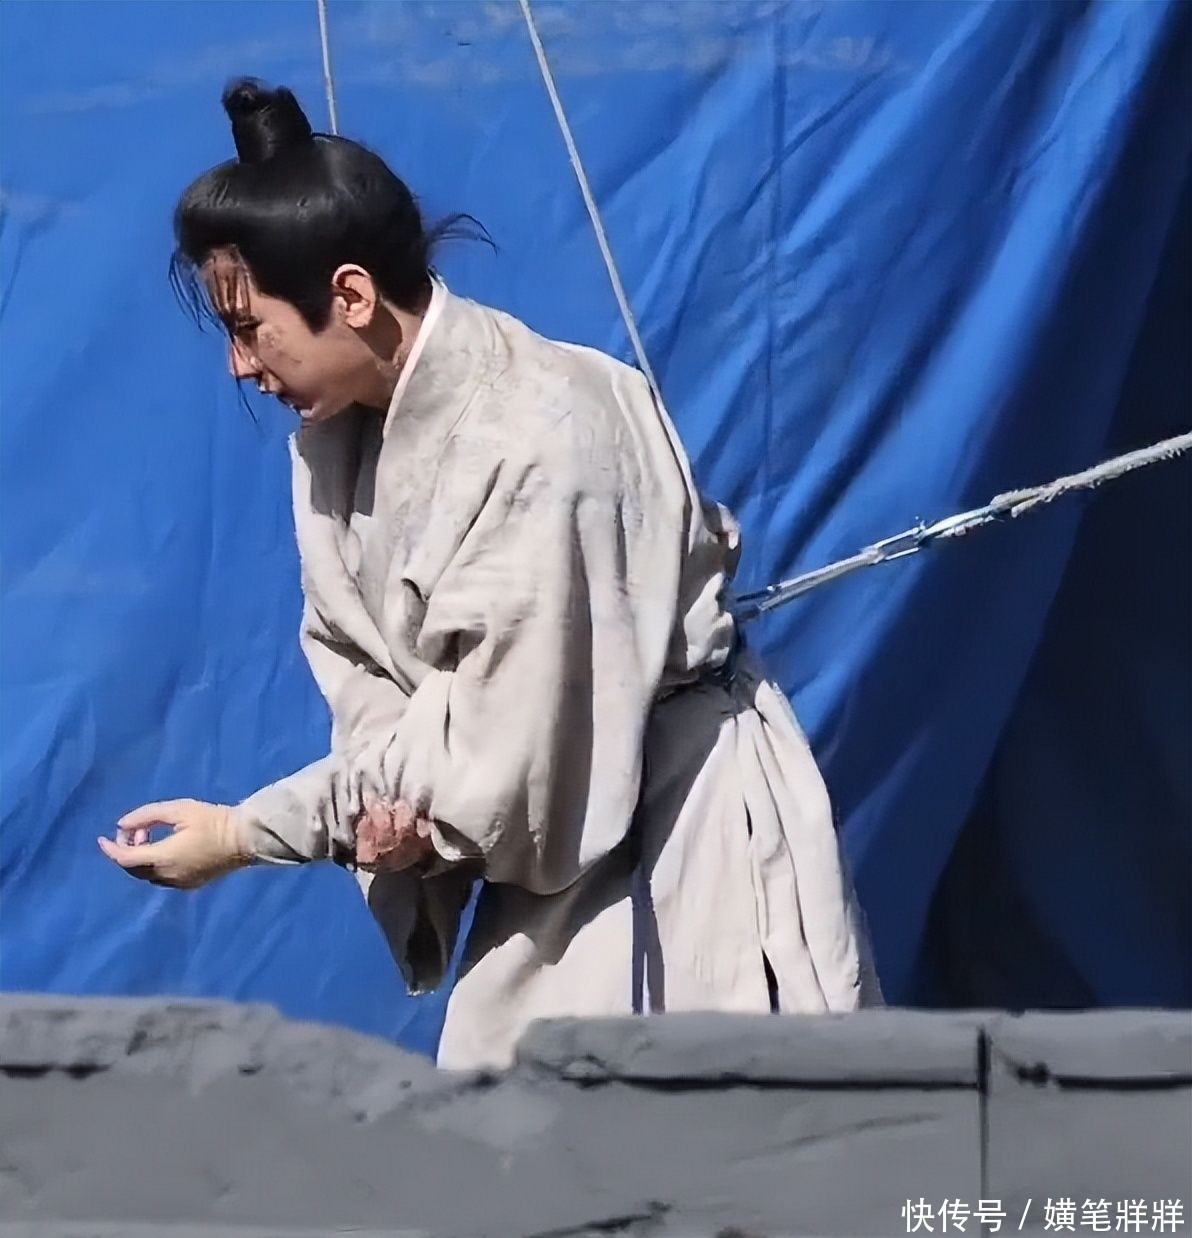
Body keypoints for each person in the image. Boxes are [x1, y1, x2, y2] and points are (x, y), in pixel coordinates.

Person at [99, 79, 881, 1069]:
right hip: (532, 826)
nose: (239, 368)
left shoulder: (542, 438)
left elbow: (503, 750)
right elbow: (361, 665)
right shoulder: (334, 436)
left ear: (350, 296)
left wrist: (245, 832)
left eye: (252, 330)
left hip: (675, 833)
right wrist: (396, 820)